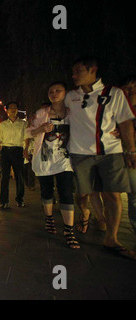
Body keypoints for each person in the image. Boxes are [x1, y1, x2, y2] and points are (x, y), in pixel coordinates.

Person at [66, 56, 136, 259]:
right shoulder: (71, 96)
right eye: (73, 72)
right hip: (80, 154)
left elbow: (124, 122)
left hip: (110, 153)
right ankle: (91, 215)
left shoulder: (114, 93)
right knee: (83, 194)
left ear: (93, 69)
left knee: (112, 195)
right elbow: (59, 111)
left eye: (78, 71)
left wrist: (131, 151)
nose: (74, 75)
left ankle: (111, 238)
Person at [26, 82, 80, 249]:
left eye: (58, 90)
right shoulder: (42, 113)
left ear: (66, 92)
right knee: (47, 190)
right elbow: (28, 132)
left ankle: (69, 230)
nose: (54, 93)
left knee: (66, 192)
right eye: (51, 91)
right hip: (44, 158)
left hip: (65, 158)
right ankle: (49, 219)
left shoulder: (73, 113)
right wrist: (40, 128)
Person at [0, 102, 26, 209]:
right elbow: (0, 140)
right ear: (7, 110)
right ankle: (4, 201)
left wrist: (26, 150)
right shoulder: (2, 124)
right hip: (5, 151)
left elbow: (26, 138)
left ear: (17, 110)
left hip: (18, 150)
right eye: (11, 108)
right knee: (4, 177)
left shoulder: (23, 123)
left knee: (19, 176)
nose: (13, 109)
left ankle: (19, 199)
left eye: (15, 107)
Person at [121, 75, 136, 234]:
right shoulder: (120, 113)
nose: (131, 91)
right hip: (129, 156)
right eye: (128, 88)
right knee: (134, 198)